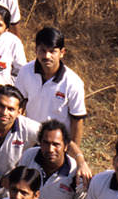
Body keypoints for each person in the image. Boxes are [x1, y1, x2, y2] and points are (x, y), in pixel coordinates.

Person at [18, 27, 88, 163]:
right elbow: (20, 105)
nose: (47, 56)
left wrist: (73, 154)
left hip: (56, 144)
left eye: (52, 51)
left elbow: (77, 120)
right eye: (42, 50)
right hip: (31, 139)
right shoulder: (25, 71)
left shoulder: (73, 82)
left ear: (62, 53)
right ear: (36, 50)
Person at [33, 120, 86, 199]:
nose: (50, 149)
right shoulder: (29, 157)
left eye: (56, 144)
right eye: (46, 143)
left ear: (66, 146)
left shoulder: (75, 174)